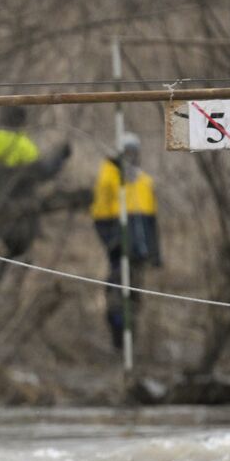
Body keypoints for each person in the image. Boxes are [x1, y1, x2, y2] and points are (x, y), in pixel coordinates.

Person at [0, 105, 71, 285]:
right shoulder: (23, 146)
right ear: (21, 122)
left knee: (0, 250)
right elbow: (44, 172)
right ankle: (6, 291)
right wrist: (61, 156)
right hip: (20, 210)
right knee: (19, 250)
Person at [91, 132, 161, 352]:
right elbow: (100, 217)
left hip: (140, 252)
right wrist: (113, 243)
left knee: (134, 298)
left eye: (134, 152)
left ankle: (129, 345)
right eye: (127, 152)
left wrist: (155, 253)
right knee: (116, 298)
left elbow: (150, 223)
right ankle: (118, 341)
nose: (131, 157)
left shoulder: (143, 181)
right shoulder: (109, 178)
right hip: (119, 251)